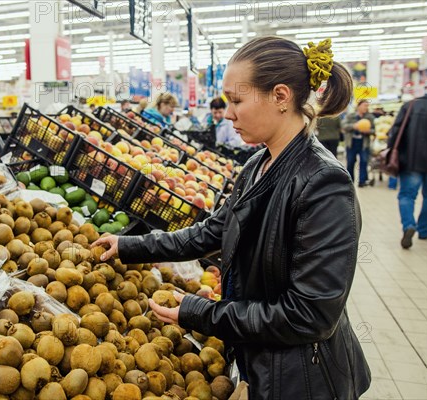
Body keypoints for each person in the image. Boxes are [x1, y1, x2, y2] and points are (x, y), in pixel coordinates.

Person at [93, 36, 370, 399]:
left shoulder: (325, 184)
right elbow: (214, 232)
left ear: (281, 96)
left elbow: (309, 315)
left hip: (302, 379)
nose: (227, 114)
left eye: (237, 101)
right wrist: (129, 246)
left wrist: (202, 313)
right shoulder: (259, 163)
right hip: (259, 362)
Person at [387, 79, 427, 248]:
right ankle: (424, 230)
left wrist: (390, 150)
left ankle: (409, 225)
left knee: (407, 196)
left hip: (411, 160)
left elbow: (395, 131)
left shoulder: (411, 106)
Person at [342, 99, 376, 187]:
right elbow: (344, 126)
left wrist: (368, 131)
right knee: (350, 162)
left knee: (364, 162)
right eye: (365, 105)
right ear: (359, 106)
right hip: (351, 143)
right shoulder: (350, 116)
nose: (366, 107)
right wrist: (354, 126)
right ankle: (350, 181)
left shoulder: (370, 117)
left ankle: (362, 181)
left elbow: (373, 130)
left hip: (363, 143)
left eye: (367, 106)